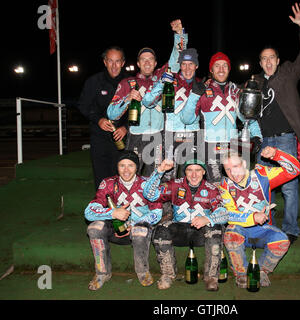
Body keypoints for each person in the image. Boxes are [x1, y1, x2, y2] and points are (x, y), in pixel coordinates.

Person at [254, 3, 300, 244]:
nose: (268, 63)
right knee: (262, 187)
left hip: (285, 138)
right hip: (262, 142)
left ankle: (291, 229)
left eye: (272, 58)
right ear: (260, 63)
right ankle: (268, 227)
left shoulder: (289, 72)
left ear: (278, 60)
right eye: (264, 59)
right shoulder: (254, 83)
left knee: (289, 188)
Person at [107, 20, 187, 177]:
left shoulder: (162, 78)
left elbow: (177, 59)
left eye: (150, 59)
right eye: (143, 59)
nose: (147, 62)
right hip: (136, 136)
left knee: (156, 178)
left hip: (158, 136)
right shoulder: (127, 83)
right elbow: (111, 114)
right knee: (130, 177)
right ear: (138, 63)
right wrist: (128, 99)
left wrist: (179, 35)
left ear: (156, 63)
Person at [220, 147, 300, 288]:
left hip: (262, 231)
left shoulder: (262, 175)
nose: (233, 172)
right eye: (228, 169)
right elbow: (228, 215)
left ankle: (261, 271)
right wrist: (252, 217)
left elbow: (294, 170)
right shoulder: (225, 186)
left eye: (236, 166)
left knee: (282, 240)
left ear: (244, 164)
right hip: (241, 233)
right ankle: (241, 274)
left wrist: (277, 155)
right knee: (230, 233)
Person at [143, 158, 228, 291]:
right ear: (185, 172)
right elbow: (149, 194)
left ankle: (211, 277)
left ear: (204, 172)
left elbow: (224, 214)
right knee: (160, 230)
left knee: (216, 229)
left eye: (198, 170)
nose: (194, 175)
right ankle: (168, 274)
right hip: (180, 230)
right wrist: (159, 171)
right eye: (190, 170)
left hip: (200, 233)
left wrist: (207, 219)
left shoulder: (211, 189)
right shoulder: (175, 185)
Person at [84, 151, 163, 290]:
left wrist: (137, 223)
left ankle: (142, 271)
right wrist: (113, 212)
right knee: (93, 228)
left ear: (136, 167)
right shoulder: (108, 183)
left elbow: (157, 212)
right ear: (117, 167)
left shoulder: (146, 184)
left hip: (139, 230)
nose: (126, 170)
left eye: (130, 166)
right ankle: (102, 273)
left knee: (139, 230)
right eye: (122, 166)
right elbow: (89, 212)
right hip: (116, 229)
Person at [181, 52, 263, 184]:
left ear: (229, 69)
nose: (221, 69)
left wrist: (258, 137)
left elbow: (249, 118)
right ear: (211, 70)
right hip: (211, 146)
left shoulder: (236, 91)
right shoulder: (202, 90)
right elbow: (186, 119)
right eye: (217, 66)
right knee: (217, 185)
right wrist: (194, 94)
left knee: (238, 183)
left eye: (224, 65)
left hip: (234, 146)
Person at [143, 48, 203, 180]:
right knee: (168, 176)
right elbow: (147, 102)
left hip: (194, 134)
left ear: (196, 65)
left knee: (192, 176)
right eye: (184, 64)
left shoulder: (201, 84)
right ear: (179, 65)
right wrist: (161, 83)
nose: (187, 68)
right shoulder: (170, 80)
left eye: (191, 64)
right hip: (171, 134)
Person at [77, 46, 128, 190]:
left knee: (123, 178)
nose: (114, 65)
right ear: (105, 62)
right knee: (101, 179)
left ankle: (122, 209)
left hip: (123, 139)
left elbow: (139, 111)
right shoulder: (93, 81)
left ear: (123, 63)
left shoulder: (131, 82)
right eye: (110, 61)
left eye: (117, 61)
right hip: (99, 139)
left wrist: (126, 128)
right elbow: (83, 105)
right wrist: (98, 119)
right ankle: (102, 209)